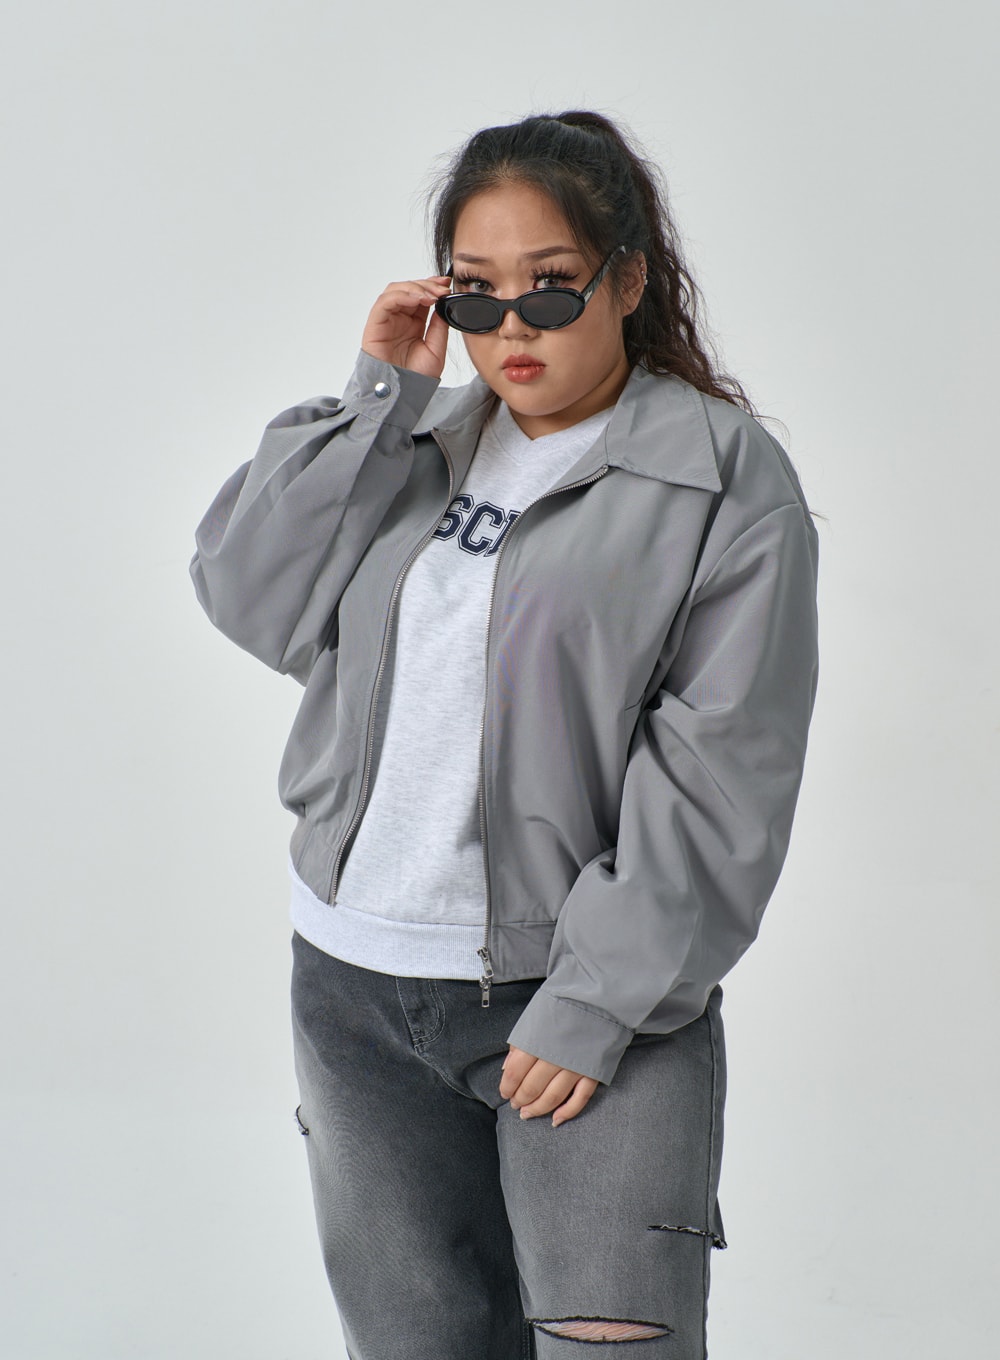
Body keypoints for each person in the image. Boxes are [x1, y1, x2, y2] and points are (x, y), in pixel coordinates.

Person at [189, 110, 820, 1359]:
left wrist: (594, 1001)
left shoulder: (720, 477)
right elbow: (251, 597)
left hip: (583, 998)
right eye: (475, 292)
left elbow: (723, 767)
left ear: (628, 280)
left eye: (551, 286)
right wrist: (381, 396)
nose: (512, 326)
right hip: (356, 989)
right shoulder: (413, 438)